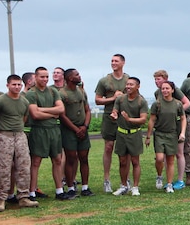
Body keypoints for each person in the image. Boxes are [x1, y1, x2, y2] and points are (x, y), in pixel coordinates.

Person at [0, 75, 37, 211]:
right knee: (3, 166)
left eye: (19, 85)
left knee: (23, 165)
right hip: (4, 135)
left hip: (20, 135)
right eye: (14, 84)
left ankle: (23, 196)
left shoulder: (24, 101)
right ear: (7, 85)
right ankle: (1, 199)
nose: (17, 87)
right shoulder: (0, 101)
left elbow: (24, 117)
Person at [25, 66, 68, 201]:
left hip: (54, 130)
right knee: (36, 161)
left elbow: (61, 109)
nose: (44, 79)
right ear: (36, 77)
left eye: (46, 77)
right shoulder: (32, 93)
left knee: (57, 159)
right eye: (42, 77)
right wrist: (52, 112)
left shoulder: (53, 91)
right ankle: (32, 191)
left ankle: (59, 190)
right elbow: (35, 114)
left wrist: (43, 110)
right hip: (38, 130)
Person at [95, 53, 129, 193]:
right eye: (112, 61)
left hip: (124, 118)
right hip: (109, 117)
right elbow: (97, 100)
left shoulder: (128, 79)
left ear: (123, 63)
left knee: (125, 151)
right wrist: (113, 99)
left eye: (116, 61)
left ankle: (125, 179)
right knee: (108, 147)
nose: (113, 63)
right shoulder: (104, 81)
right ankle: (106, 179)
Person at [147, 80, 186, 193]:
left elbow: (183, 119)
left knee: (170, 160)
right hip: (159, 133)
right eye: (163, 88)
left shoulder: (178, 104)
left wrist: (182, 132)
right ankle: (159, 176)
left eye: (167, 88)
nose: (165, 90)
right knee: (159, 158)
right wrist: (148, 136)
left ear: (172, 90)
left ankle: (169, 184)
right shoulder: (157, 104)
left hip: (172, 134)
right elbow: (152, 119)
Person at [59, 68, 94, 197]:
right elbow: (62, 115)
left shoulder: (81, 92)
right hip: (69, 130)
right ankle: (70, 188)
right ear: (69, 78)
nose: (79, 76)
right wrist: (75, 129)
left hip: (82, 129)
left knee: (84, 158)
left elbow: (88, 110)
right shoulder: (62, 94)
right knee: (71, 159)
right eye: (76, 75)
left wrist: (85, 126)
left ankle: (85, 187)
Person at [112, 77, 148, 196]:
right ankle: (123, 186)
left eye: (131, 85)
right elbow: (115, 110)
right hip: (121, 133)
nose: (128, 87)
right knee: (122, 161)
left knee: (135, 161)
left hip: (135, 133)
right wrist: (114, 115)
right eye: (127, 84)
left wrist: (129, 119)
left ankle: (135, 187)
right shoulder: (121, 99)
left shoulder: (141, 101)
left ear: (138, 86)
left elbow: (143, 119)